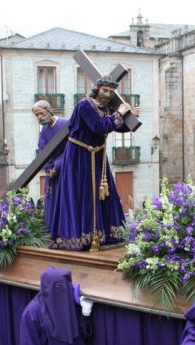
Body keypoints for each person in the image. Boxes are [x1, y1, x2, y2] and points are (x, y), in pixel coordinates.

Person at [49, 76, 136, 251]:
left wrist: (129, 118)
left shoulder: (103, 108)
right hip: (80, 157)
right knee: (83, 195)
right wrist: (120, 113)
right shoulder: (85, 105)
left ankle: (106, 234)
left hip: (97, 156)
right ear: (97, 89)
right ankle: (83, 237)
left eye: (111, 92)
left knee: (103, 194)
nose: (107, 95)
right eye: (105, 90)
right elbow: (99, 127)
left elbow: (113, 126)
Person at [32, 100, 68, 234]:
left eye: (40, 113)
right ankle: (54, 233)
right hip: (51, 175)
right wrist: (48, 168)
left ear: (48, 110)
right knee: (51, 203)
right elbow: (42, 151)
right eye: (37, 116)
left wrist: (57, 166)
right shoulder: (44, 131)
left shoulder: (65, 124)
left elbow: (70, 149)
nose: (39, 117)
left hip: (65, 171)